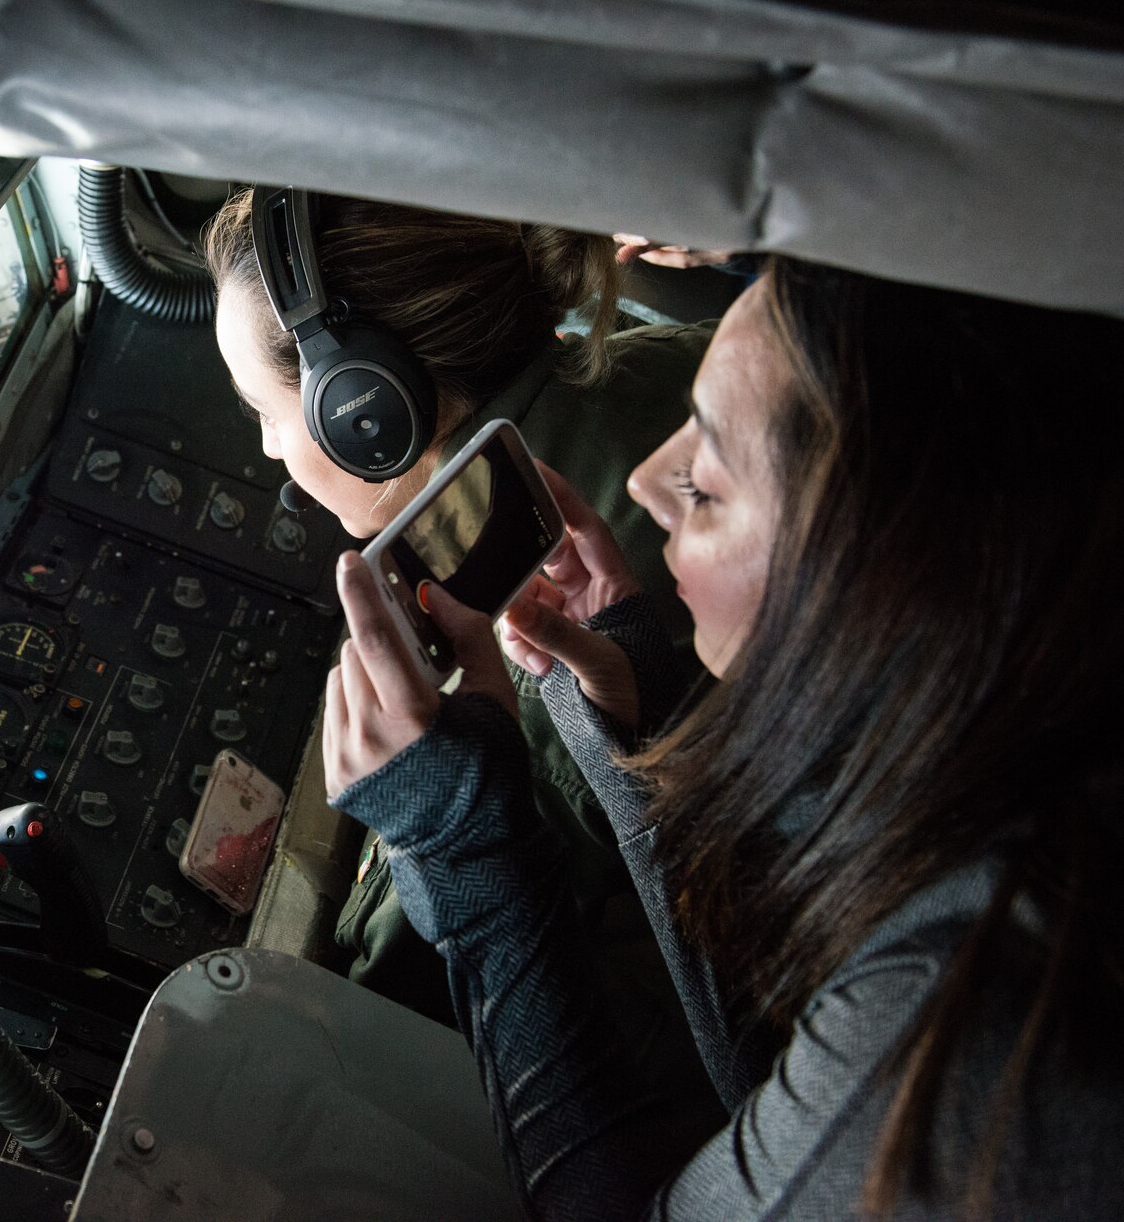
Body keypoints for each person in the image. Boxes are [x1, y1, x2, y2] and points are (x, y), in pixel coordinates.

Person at [323, 258, 1124, 1217]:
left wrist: (463, 846)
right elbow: (787, 1073)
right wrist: (639, 721)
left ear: (873, 590)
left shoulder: (980, 1023)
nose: (649, 484)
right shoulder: (1032, 772)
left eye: (706, 484)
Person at [204, 188, 717, 1117]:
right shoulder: (671, 362)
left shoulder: (532, 621)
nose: (275, 449)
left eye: (267, 410)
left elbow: (409, 990)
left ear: (366, 412)